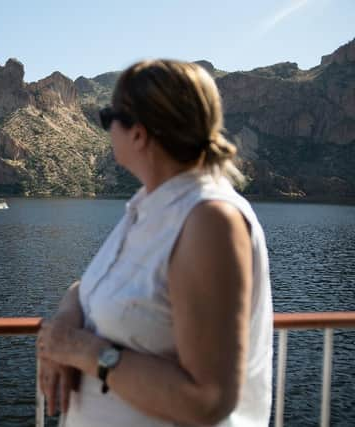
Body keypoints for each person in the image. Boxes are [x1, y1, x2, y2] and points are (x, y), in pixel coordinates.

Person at [36, 59, 273, 427]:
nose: (104, 129)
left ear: (139, 133)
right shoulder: (150, 208)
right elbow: (110, 290)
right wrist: (66, 322)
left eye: (106, 117)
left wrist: (84, 351)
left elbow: (207, 400)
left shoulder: (209, 220)